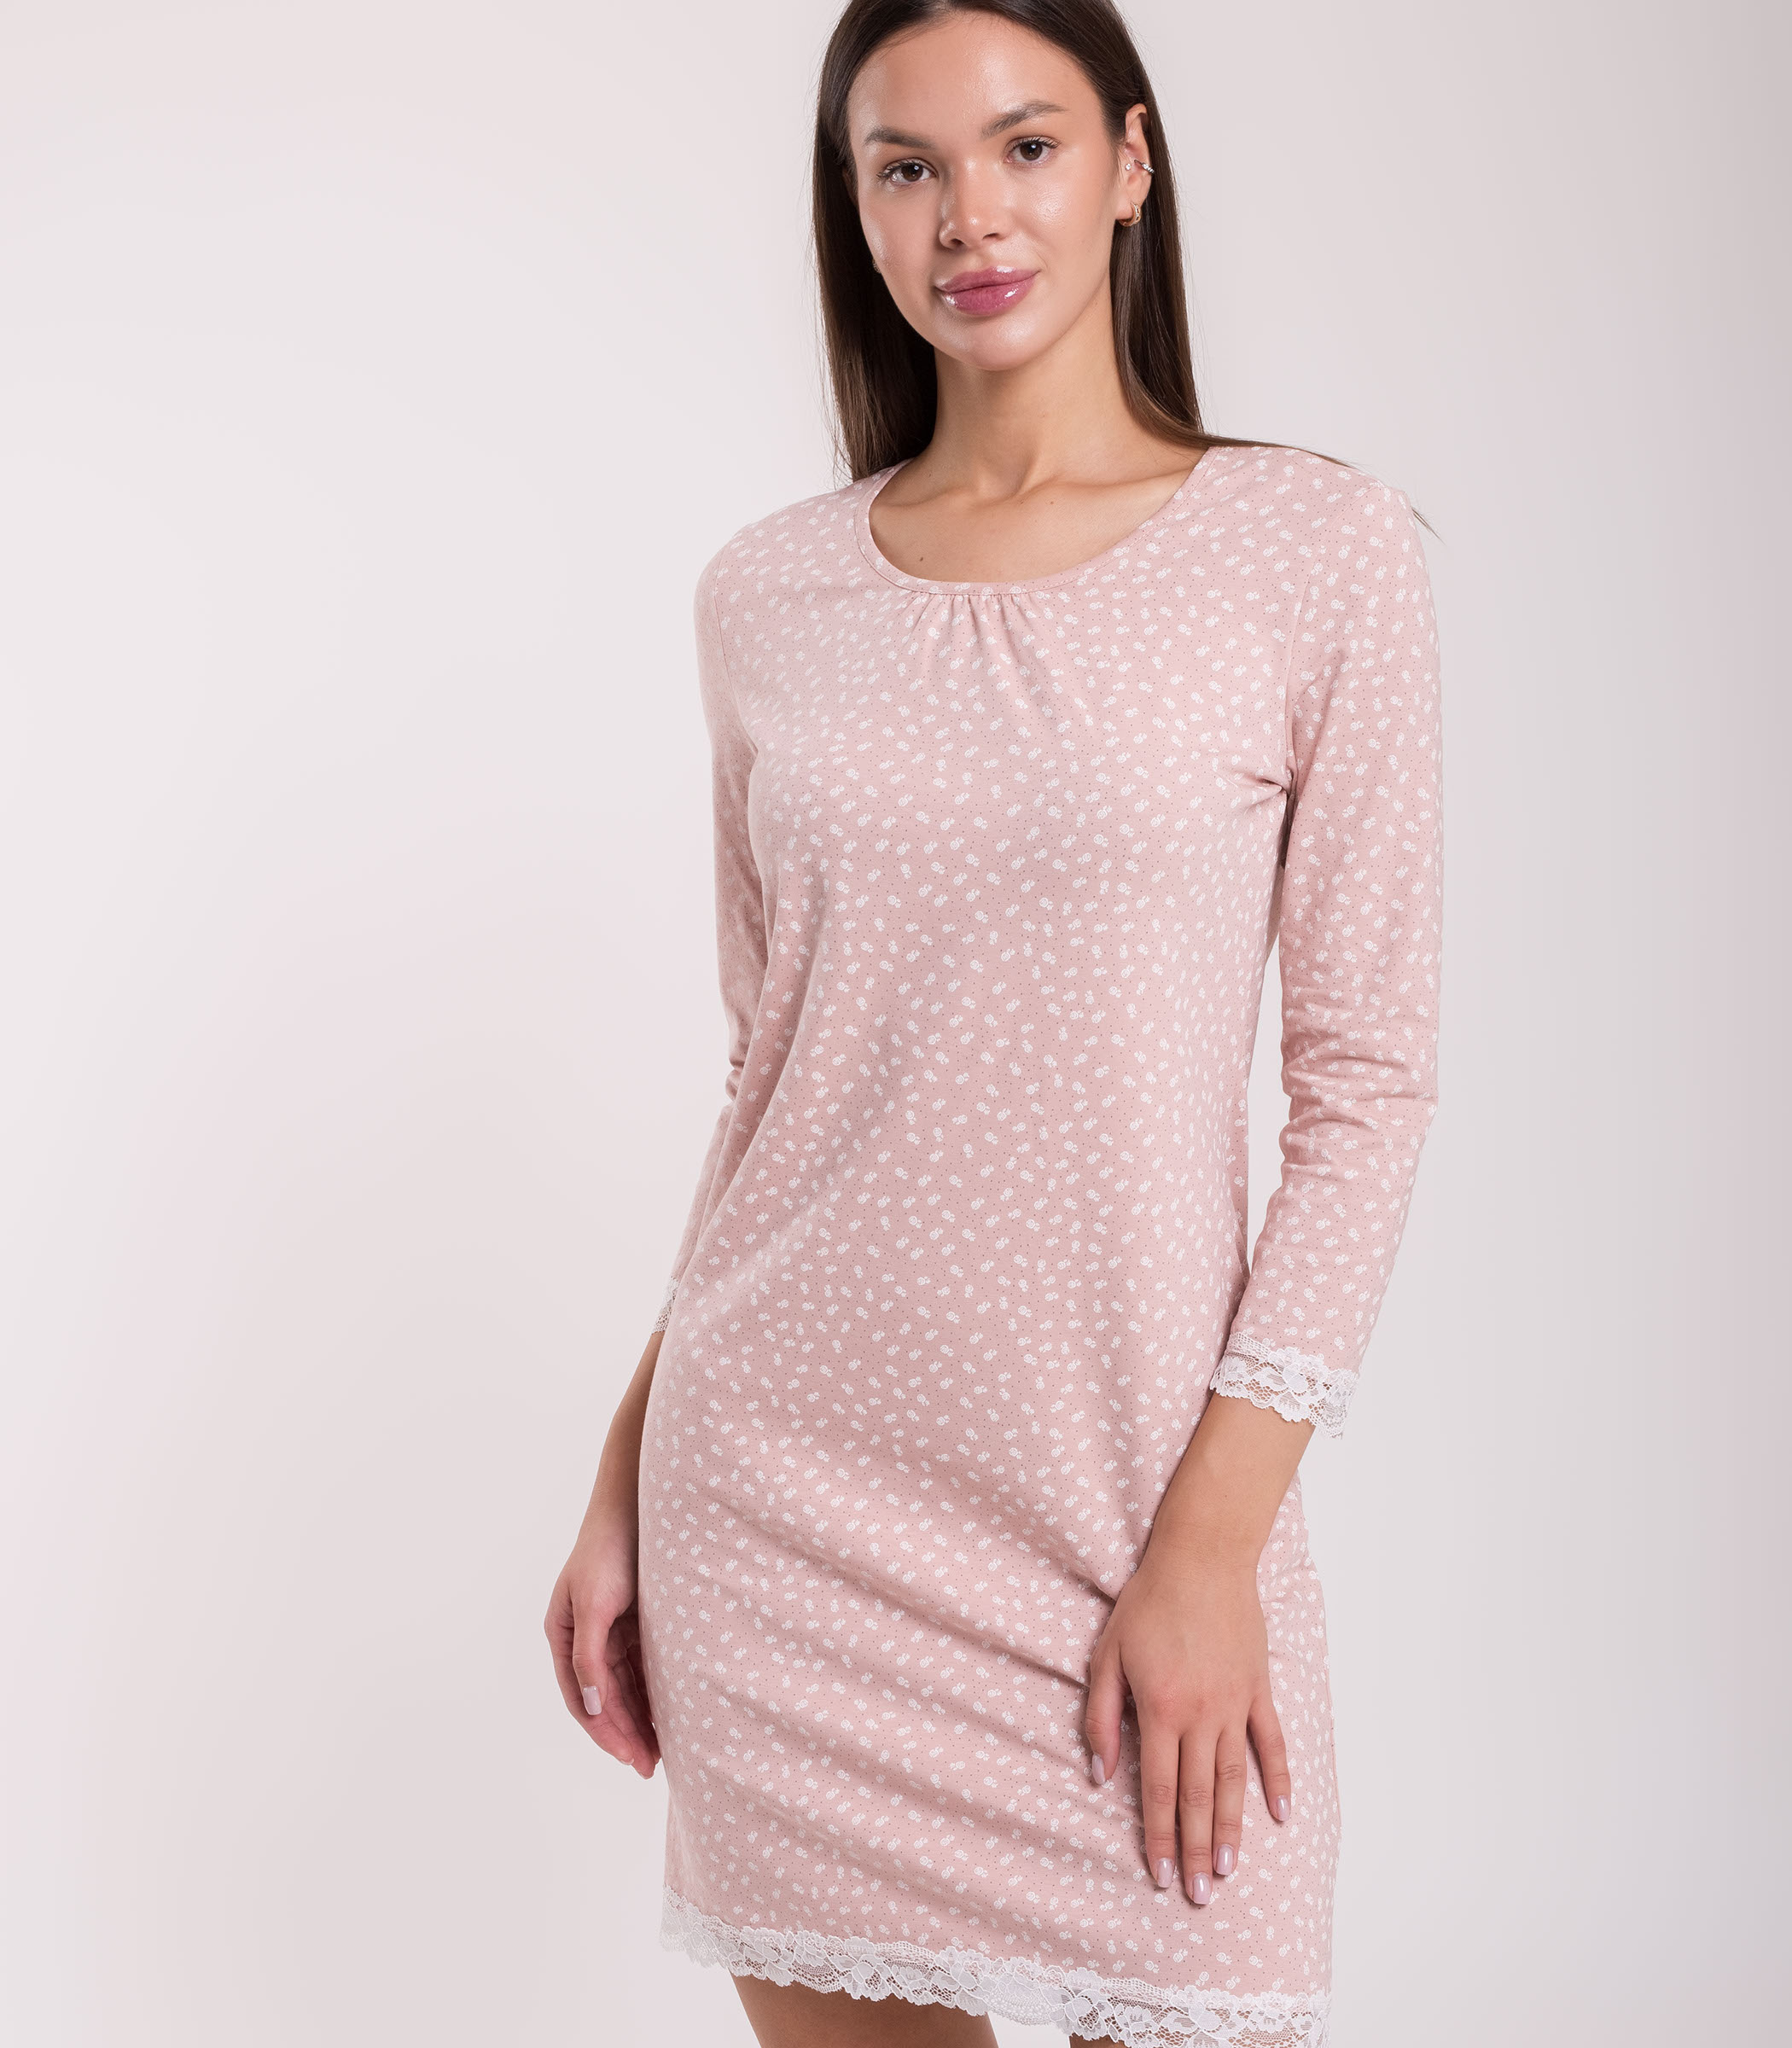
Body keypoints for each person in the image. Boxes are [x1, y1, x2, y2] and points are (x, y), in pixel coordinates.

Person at [545, 3, 1444, 2042]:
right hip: (783, 1528)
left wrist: (1213, 1552)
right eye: (908, 167)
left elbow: (1368, 1088)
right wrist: (625, 1466)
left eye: (1025, 146)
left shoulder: (1314, 552)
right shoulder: (766, 598)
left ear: (1129, 162)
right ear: (855, 207)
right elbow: (773, 1072)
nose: (970, 214)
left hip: (1141, 1514)